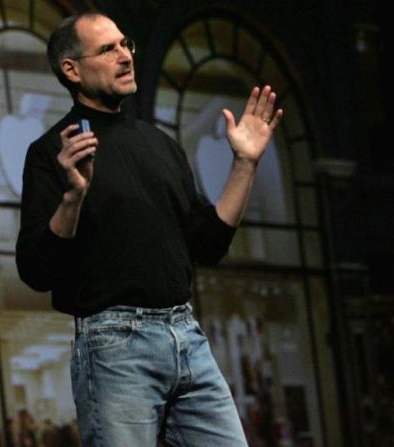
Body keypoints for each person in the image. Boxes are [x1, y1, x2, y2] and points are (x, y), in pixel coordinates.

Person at [15, 12, 282, 446]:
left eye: (126, 45)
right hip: (114, 346)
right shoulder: (52, 152)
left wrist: (245, 164)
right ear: (71, 69)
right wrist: (73, 197)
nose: (124, 56)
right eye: (107, 49)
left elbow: (209, 243)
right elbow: (36, 269)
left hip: (186, 336)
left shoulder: (161, 146)